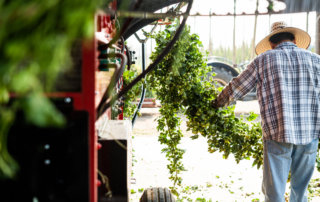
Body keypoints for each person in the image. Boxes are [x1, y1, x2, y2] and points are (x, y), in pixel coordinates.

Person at [212, 21, 320, 202]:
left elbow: (236, 88)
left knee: (274, 193)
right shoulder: (316, 60)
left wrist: (216, 104)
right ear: (294, 40)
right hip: (310, 134)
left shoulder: (263, 60)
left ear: (271, 43)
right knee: (301, 191)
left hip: (277, 134)